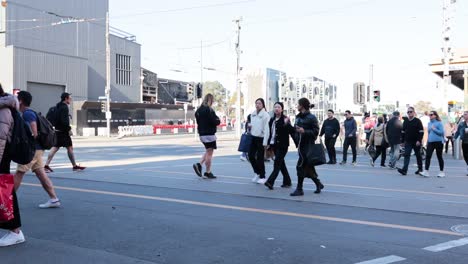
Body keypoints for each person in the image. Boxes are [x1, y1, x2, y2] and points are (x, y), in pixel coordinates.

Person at [14, 91, 61, 208]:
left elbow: (33, 133)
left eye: (16, 99)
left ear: (20, 101)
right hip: (38, 149)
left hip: (32, 150)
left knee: (19, 173)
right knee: (41, 174)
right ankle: (54, 199)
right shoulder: (30, 113)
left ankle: (7, 201)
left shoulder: (27, 114)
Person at [0, 84, 25, 247]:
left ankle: (15, 231)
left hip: (2, 157)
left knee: (4, 192)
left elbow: (1, 139)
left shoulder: (3, 109)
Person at [290, 98, 323, 196]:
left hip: (308, 146)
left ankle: (299, 189)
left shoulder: (311, 117)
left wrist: (304, 131)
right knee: (308, 167)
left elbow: (316, 132)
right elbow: (295, 130)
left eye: (298, 104)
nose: (297, 106)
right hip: (300, 145)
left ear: (302, 106)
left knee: (300, 166)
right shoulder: (298, 117)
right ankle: (318, 183)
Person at [44, 93, 85, 172]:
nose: (70, 100)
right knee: (69, 147)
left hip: (57, 130)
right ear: (66, 99)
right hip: (63, 132)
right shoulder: (64, 107)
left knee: (55, 148)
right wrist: (69, 129)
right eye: (69, 98)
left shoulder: (58, 106)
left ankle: (46, 165)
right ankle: (74, 166)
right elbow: (64, 121)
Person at [264, 102, 294, 190]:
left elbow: (291, 131)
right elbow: (271, 134)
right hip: (275, 145)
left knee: (277, 164)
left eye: (278, 107)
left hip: (283, 146)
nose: (276, 108)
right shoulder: (272, 120)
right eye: (275, 107)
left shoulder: (285, 119)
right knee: (281, 164)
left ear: (282, 109)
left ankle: (270, 181)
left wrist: (287, 123)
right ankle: (287, 181)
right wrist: (269, 144)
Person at [193, 94, 220, 179]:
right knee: (210, 153)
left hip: (202, 134)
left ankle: (199, 165)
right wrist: (218, 120)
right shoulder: (209, 110)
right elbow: (215, 121)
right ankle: (207, 171)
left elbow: (198, 121)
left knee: (208, 150)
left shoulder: (198, 110)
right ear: (210, 100)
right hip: (210, 134)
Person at [248, 98, 270, 184]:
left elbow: (267, 129)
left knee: (260, 158)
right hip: (253, 137)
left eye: (259, 103)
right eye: (256, 103)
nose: (257, 105)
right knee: (250, 156)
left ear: (263, 105)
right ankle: (257, 172)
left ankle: (263, 176)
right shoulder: (252, 115)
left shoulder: (265, 115)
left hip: (261, 138)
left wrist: (265, 142)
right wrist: (249, 128)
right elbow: (250, 127)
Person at [397, 107, 424, 176]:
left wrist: (419, 140)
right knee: (406, 155)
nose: (409, 113)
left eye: (411, 112)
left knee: (418, 155)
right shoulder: (405, 121)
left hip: (416, 142)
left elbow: (421, 131)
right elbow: (403, 132)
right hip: (408, 142)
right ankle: (404, 170)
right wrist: (402, 141)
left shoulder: (417, 121)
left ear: (414, 112)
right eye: (408, 112)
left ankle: (420, 169)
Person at [420, 111, 445, 178]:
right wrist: (427, 141)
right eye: (429, 115)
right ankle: (426, 171)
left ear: (435, 116)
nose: (430, 116)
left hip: (438, 142)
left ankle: (441, 172)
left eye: (431, 115)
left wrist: (434, 129)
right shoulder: (429, 123)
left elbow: (441, 132)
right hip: (430, 142)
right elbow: (429, 133)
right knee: (428, 156)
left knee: (439, 156)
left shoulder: (439, 123)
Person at [454, 111, 468, 176]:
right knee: (465, 156)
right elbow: (457, 132)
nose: (464, 116)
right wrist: (455, 138)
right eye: (464, 115)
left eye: (465, 114)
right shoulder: (462, 124)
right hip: (464, 141)